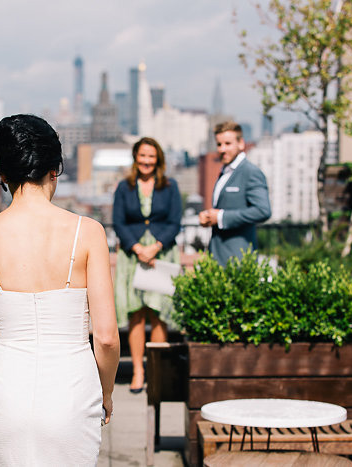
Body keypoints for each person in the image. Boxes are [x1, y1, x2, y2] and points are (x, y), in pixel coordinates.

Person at [0, 114, 120, 466]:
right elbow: (105, 338)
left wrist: (14, 357)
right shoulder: (88, 233)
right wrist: (105, 393)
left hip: (3, 394)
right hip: (73, 392)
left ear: (2, 175)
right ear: (54, 170)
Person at [112, 137, 182, 394]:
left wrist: (156, 247)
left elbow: (175, 222)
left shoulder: (170, 186)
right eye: (142, 156)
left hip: (161, 255)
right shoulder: (123, 187)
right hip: (132, 256)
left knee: (159, 314)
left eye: (151, 156)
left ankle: (156, 372)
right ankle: (139, 371)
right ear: (135, 157)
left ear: (158, 159)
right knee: (136, 315)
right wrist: (138, 248)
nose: (146, 161)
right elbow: (118, 222)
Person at [199, 121, 271, 265]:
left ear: (241, 143)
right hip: (217, 257)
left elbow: (263, 211)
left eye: (228, 143)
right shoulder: (224, 172)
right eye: (219, 144)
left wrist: (221, 217)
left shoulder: (250, 172)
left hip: (239, 260)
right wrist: (209, 217)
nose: (222, 149)